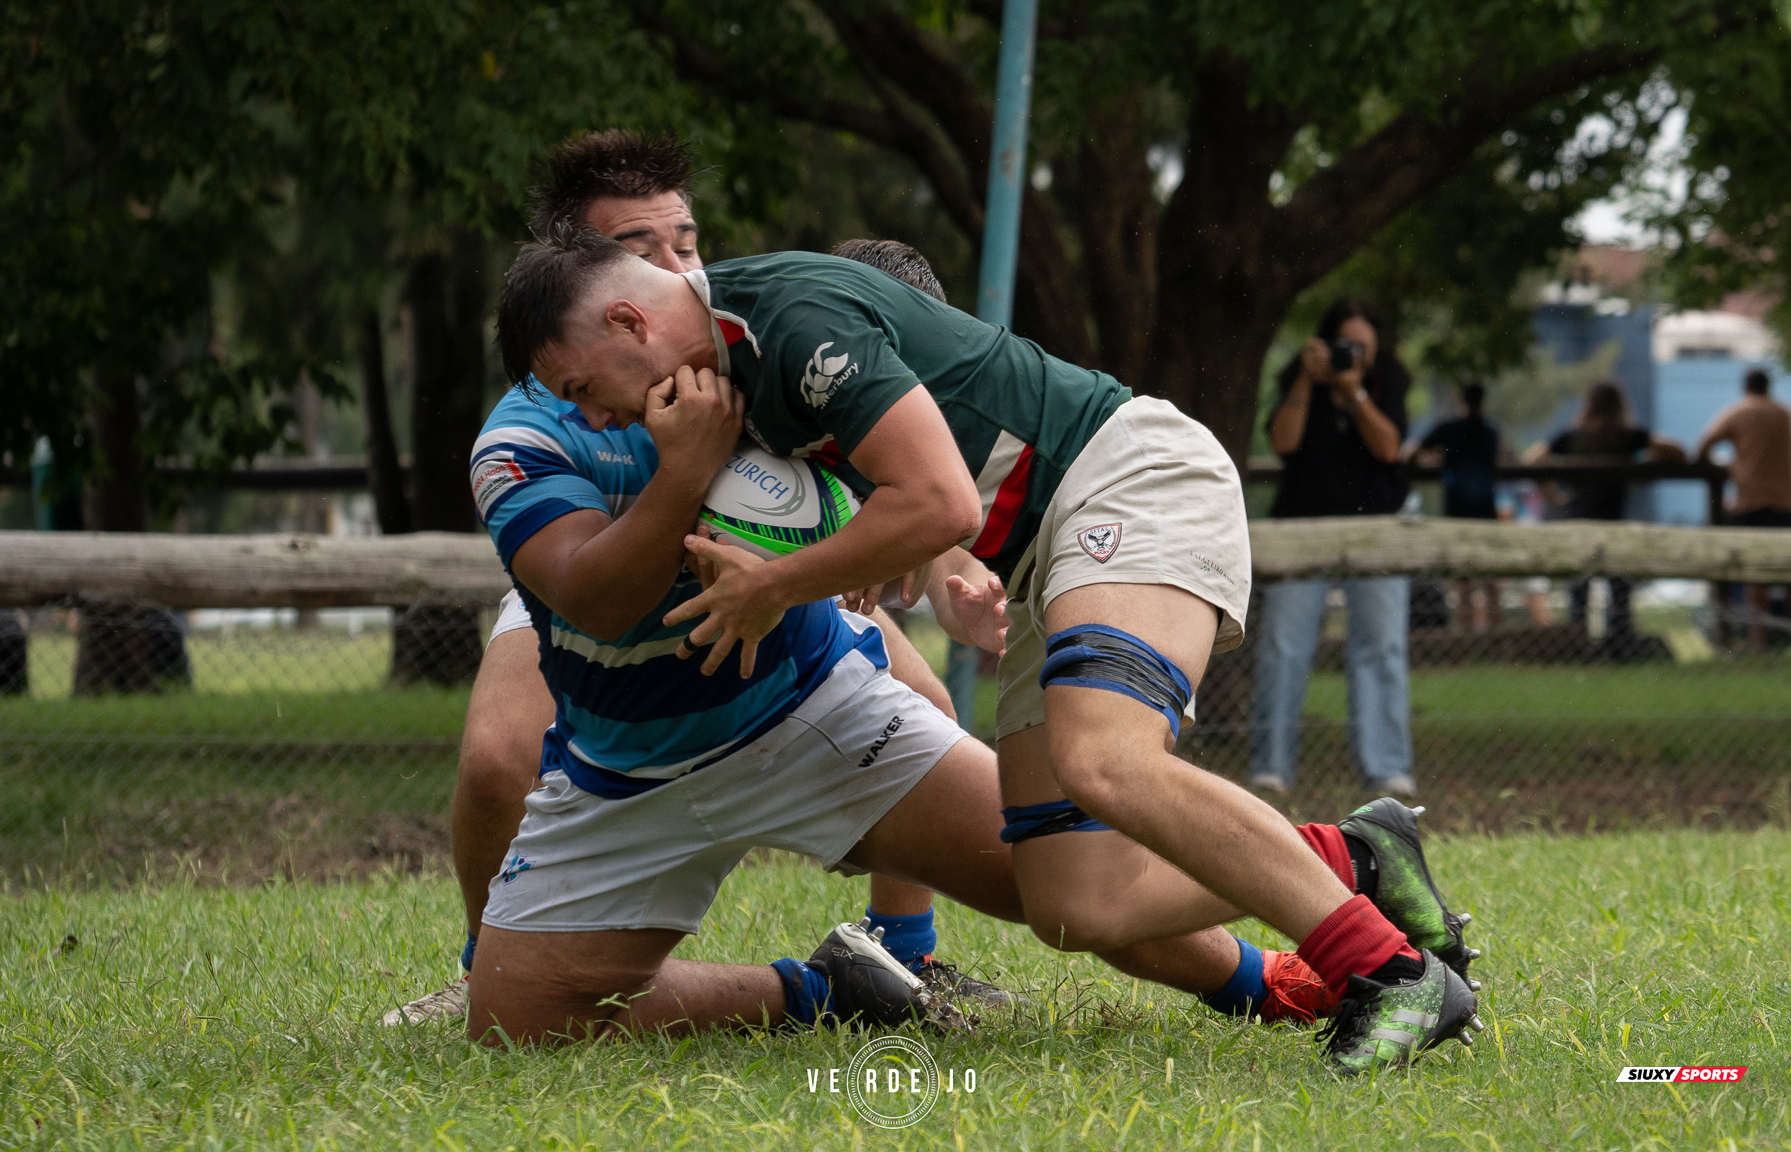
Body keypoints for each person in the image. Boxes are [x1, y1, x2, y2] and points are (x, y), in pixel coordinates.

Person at [506, 235, 1482, 1073]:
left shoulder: (786, 319)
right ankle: (1356, 854)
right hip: (1042, 551)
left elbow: (943, 499)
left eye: (585, 388)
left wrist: (776, 584)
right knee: (1074, 899)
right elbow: (912, 481)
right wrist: (902, 561)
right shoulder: (722, 378)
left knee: (1108, 761)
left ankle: (1389, 975)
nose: (594, 417)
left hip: (1127, 476)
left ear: (631, 321)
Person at [387, 133, 981, 1025]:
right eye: (638, 251)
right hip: (587, 590)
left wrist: (917, 555)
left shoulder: (731, 337)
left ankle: (902, 960)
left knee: (927, 699)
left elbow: (881, 452)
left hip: (761, 576)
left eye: (686, 242)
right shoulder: (539, 420)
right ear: (581, 275)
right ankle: (488, 968)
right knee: (494, 759)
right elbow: (584, 583)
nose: (673, 266)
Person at [1252, 300, 1417, 798]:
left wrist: (1355, 391)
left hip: (1378, 532)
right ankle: (1270, 767)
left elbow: (1388, 448)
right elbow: (1283, 442)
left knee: (1382, 648)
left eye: (1363, 347)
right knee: (1283, 648)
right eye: (1345, 346)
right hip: (1302, 528)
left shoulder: (1388, 381)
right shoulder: (1301, 383)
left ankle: (1387, 767)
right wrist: (1308, 380)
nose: (1354, 355)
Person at [1530, 380, 1685, 646]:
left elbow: (1533, 459)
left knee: (1579, 588)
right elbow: (1678, 451)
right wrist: (1649, 462)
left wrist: (1552, 496)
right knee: (1619, 586)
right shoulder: (1626, 436)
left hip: (1578, 521)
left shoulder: (1572, 437)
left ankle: (1578, 642)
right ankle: (1621, 641)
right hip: (1613, 523)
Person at [1695, 367, 1791, 650]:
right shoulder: (1783, 414)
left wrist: (1732, 467)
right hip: (1785, 502)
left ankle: (1757, 638)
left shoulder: (1739, 412)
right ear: (1768, 387)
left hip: (1750, 502)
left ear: (1745, 387)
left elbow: (1703, 446)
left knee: (1754, 573)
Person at [1414, 383, 1506, 634]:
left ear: (1460, 400)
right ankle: (1494, 634)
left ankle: (1465, 633)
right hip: (1485, 508)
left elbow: (1414, 451)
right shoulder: (1490, 431)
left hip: (1456, 509)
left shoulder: (1448, 429)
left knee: (1461, 576)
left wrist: (1436, 459)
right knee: (1490, 575)